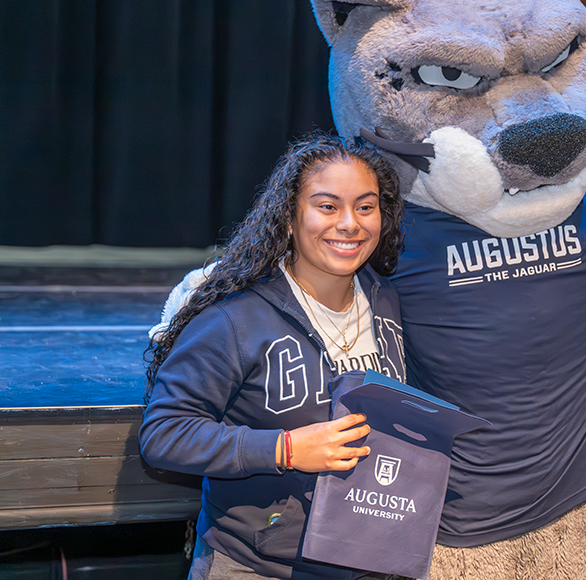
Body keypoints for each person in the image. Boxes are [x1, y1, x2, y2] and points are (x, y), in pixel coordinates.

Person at [139, 133, 406, 580]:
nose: (349, 223)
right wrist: (285, 449)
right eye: (327, 206)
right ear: (289, 217)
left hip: (368, 562)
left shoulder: (388, 300)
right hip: (257, 566)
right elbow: (164, 434)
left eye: (365, 206)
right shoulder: (235, 319)